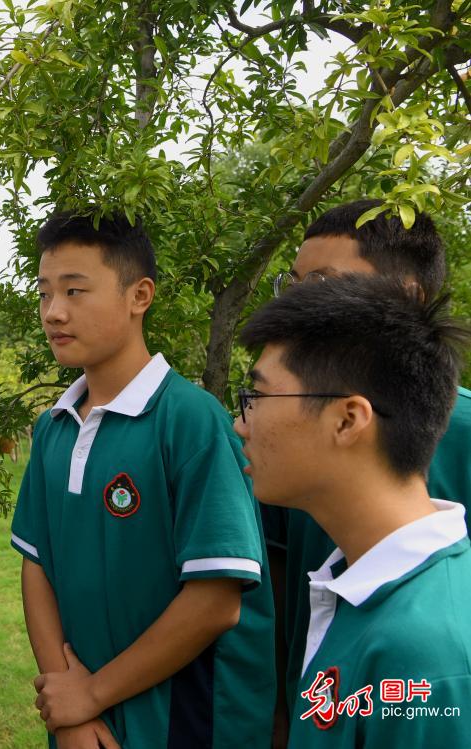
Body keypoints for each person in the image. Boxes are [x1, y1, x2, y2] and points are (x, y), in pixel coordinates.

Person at [12, 212, 275, 748]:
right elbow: (36, 565)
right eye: (44, 294)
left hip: (185, 719)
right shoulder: (54, 426)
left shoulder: (189, 421)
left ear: (140, 295)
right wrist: (69, 707)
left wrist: (92, 695)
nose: (54, 312)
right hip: (86, 718)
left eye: (75, 291)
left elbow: (216, 599)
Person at [264, 200, 471, 735]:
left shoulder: (429, 643)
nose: (304, 300)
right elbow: (283, 571)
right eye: (296, 282)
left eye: (326, 281)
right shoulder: (294, 428)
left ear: (407, 299)